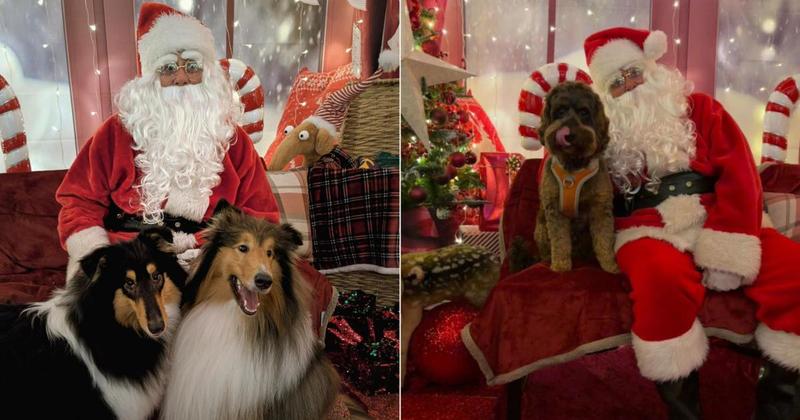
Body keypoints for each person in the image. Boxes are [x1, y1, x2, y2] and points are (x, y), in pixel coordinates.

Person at [584, 27, 800, 419]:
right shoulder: (599, 135)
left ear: (651, 68)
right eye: (616, 82)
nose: (629, 86)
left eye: (633, 72)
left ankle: (780, 407)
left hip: (715, 212)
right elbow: (578, 188)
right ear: (604, 94)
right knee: (659, 280)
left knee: (794, 272)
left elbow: (740, 176)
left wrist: (729, 245)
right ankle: (686, 413)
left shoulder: (701, 108)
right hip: (644, 226)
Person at [56, 3, 327, 305]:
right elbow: (78, 202)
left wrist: (210, 251)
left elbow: (260, 216)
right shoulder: (115, 133)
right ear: (149, 77)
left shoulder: (233, 141)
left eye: (192, 66)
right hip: (130, 259)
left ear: (207, 73)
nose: (182, 78)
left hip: (207, 258)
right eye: (169, 68)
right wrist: (98, 253)